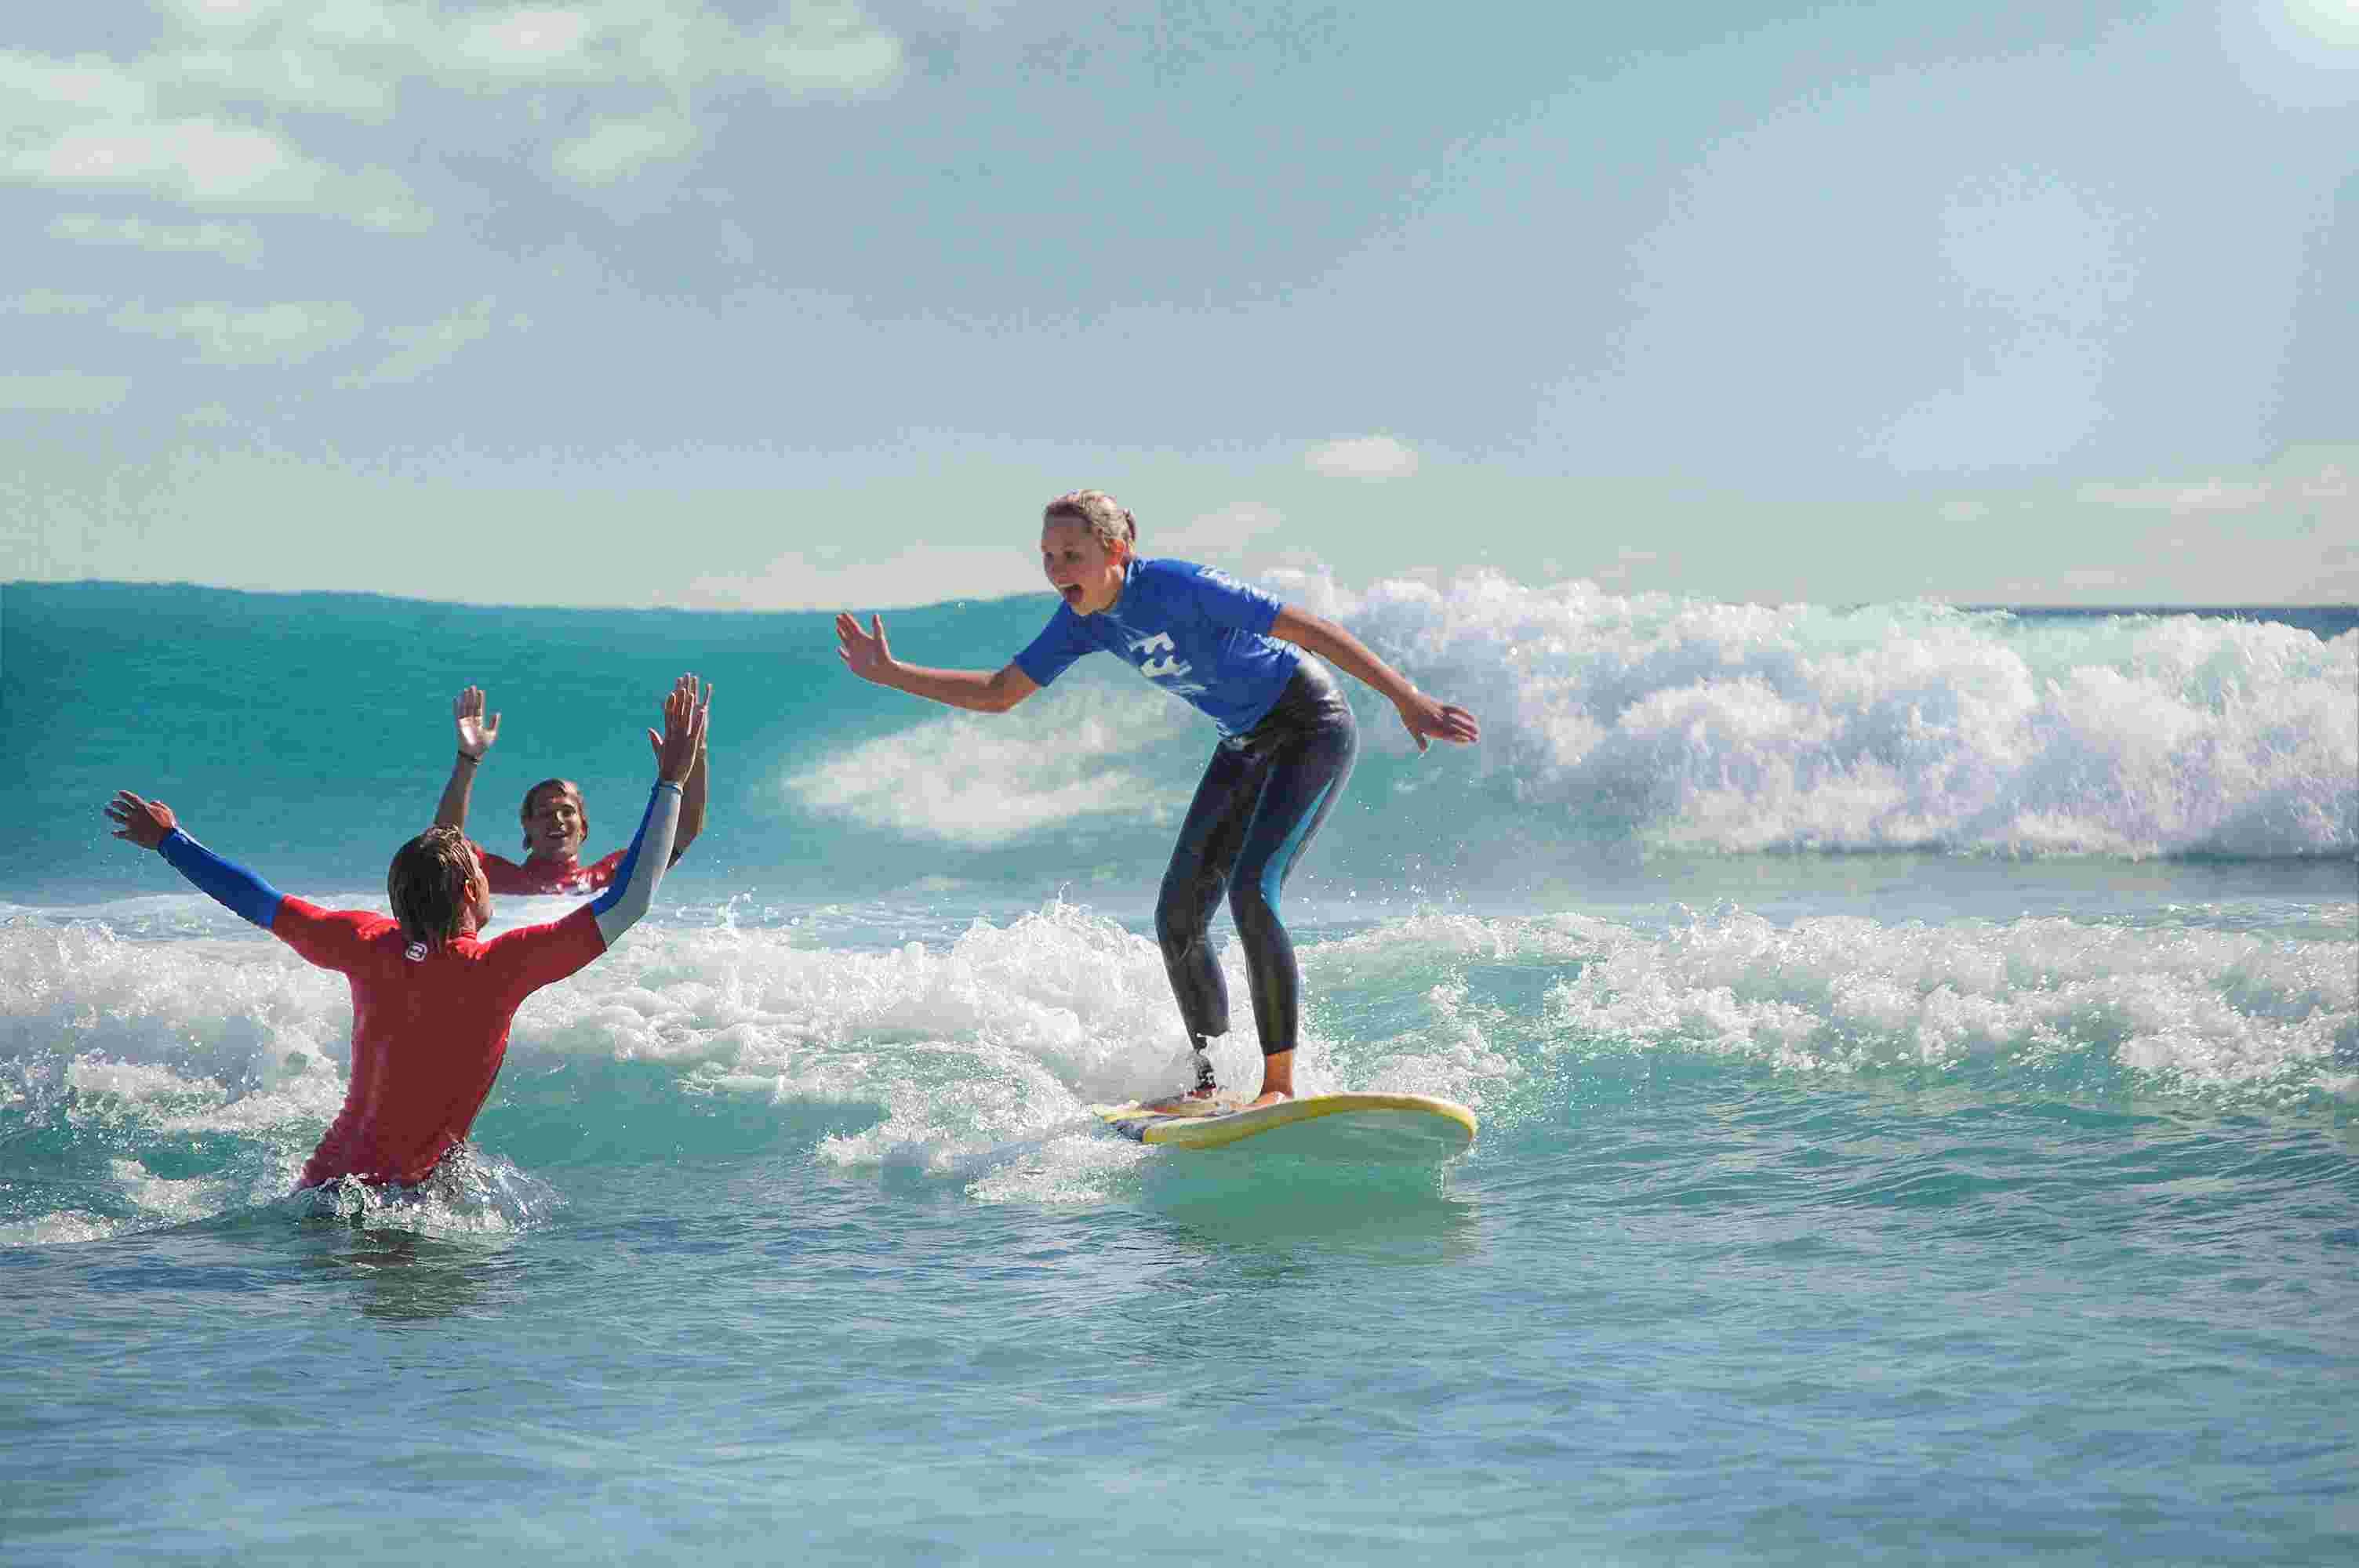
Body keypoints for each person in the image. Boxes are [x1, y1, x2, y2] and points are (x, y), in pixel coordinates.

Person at [835, 490, 1479, 1109]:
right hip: (1244, 741)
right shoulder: (1082, 622)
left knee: (1252, 890)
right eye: (1048, 556)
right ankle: (1212, 1080)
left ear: (1116, 551)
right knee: (1178, 915)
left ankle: (1279, 1082)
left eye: (1071, 555)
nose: (1057, 570)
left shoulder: (1177, 585)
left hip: (1309, 724)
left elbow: (1310, 628)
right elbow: (1002, 692)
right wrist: (894, 674)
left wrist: (1407, 699)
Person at [105, 678, 710, 1190]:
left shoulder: (361, 941)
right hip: (400, 1203)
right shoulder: (500, 966)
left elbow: (256, 900)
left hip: (320, 1186)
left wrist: (170, 841)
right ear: (472, 893)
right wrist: (671, 781)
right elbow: (630, 901)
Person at [428, 674, 711, 895]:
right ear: (526, 827)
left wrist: (696, 754)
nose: (557, 820)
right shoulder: (495, 878)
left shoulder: (607, 877)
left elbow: (684, 833)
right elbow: (444, 842)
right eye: (545, 813)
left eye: (567, 811)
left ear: (584, 827)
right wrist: (469, 758)